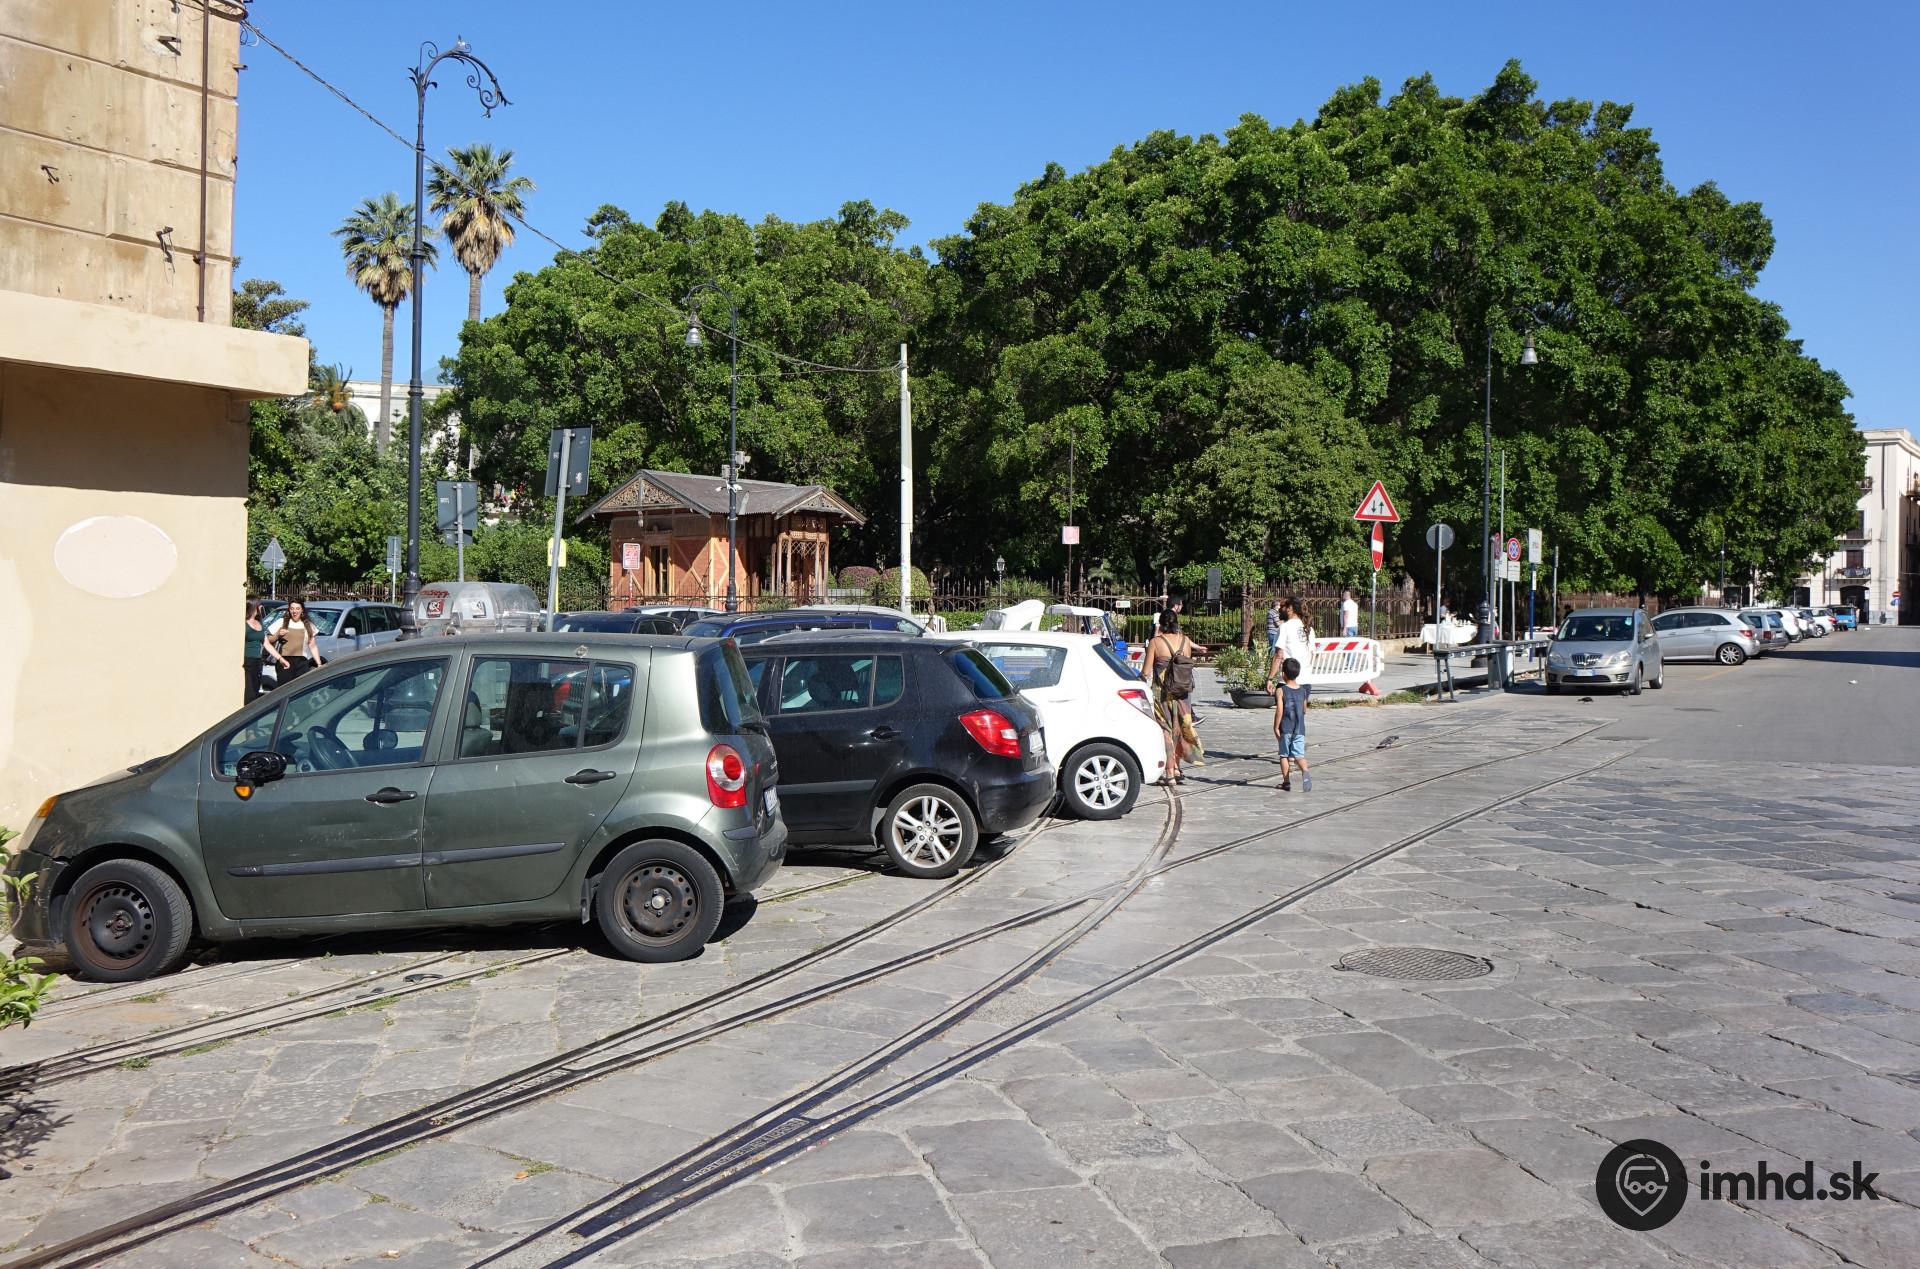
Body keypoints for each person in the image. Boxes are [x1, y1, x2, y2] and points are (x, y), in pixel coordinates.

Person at [1141, 609, 1206, 784]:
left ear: (1161, 624)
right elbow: (1183, 667)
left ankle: (1169, 772)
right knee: (1179, 728)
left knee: (1166, 730)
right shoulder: (1185, 641)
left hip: (1162, 693)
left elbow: (1146, 672)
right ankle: (1177, 767)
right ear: (1176, 623)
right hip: (1183, 693)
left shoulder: (1156, 642)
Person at [1274, 656, 1312, 791]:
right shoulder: (1303, 691)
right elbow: (1304, 710)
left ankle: (1286, 782)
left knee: (1284, 755)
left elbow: (1279, 710)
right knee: (1299, 755)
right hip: (1299, 728)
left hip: (1286, 727)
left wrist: (1276, 727)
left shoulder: (1281, 690)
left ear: (1283, 674)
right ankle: (1305, 771)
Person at [1264, 595, 1315, 694]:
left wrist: (1270, 679)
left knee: (1282, 704)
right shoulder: (1309, 629)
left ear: (1290, 608)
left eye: (1282, 606)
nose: (1279, 609)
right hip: (1306, 681)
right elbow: (1311, 655)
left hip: (1288, 682)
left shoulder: (1285, 627)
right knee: (1302, 705)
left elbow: (1279, 655)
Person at [267, 599, 324, 684]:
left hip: (302, 663)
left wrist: (319, 664)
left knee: (301, 688)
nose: (294, 611)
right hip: (284, 662)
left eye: (297, 608)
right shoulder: (281, 622)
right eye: (292, 608)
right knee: (285, 689)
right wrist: (277, 634)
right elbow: (268, 640)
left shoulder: (308, 625)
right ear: (289, 610)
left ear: (302, 610)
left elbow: (313, 646)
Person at [244, 600, 283, 701]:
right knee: (249, 692)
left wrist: (280, 658)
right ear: (253, 606)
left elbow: (266, 644)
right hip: (247, 660)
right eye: (259, 605)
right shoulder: (244, 623)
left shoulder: (259, 623)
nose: (261, 607)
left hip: (258, 661)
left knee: (255, 690)